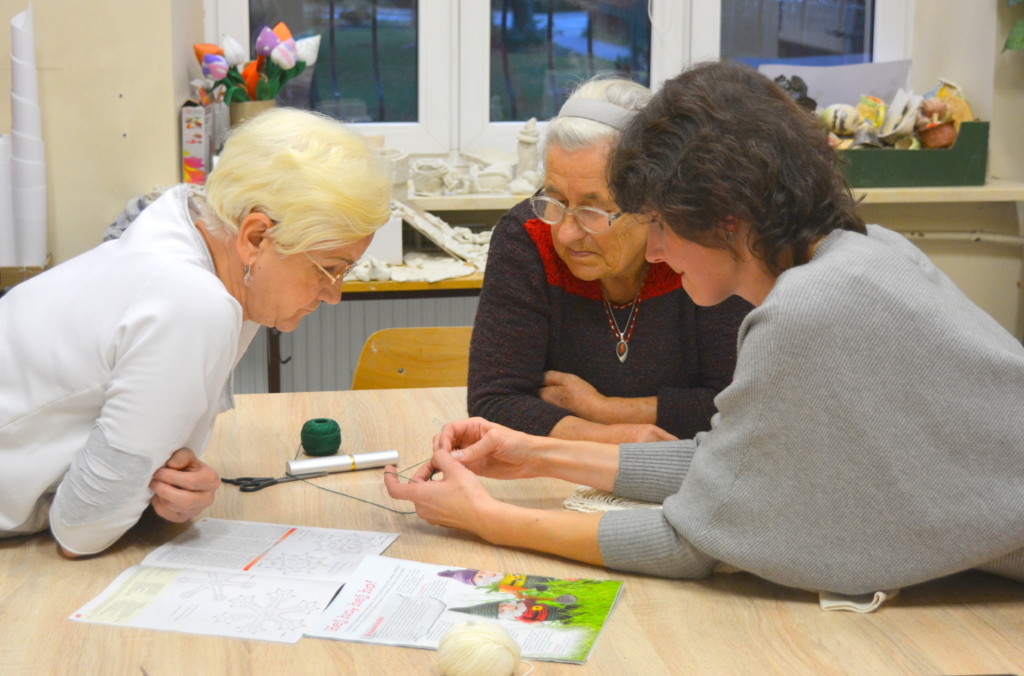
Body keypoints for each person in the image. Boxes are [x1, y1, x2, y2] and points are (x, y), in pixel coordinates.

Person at [386, 61, 1024, 596]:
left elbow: (687, 541)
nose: (655, 251)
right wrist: (537, 454)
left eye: (660, 224)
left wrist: (489, 520)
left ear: (726, 219)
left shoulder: (802, 315)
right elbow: (735, 464)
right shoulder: (865, 252)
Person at [0, 108, 390, 558]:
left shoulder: (196, 228)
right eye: (330, 268)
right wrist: (149, 489)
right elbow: (81, 531)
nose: (333, 294)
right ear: (257, 237)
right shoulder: (192, 303)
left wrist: (169, 484)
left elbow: (161, 458)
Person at [468, 76, 751, 444]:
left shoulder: (701, 249)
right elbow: (494, 401)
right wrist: (619, 436)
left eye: (593, 208)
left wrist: (606, 409)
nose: (566, 233)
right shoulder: (528, 236)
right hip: (555, 475)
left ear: (653, 202)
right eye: (556, 199)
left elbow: (738, 404)